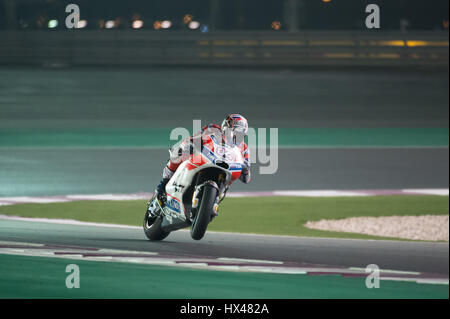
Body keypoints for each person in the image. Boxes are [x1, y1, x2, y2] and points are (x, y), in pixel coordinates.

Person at [155, 114, 251, 203]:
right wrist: (190, 144)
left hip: (223, 177)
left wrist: (245, 170)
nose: (238, 136)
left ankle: (211, 206)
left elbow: (246, 178)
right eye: (236, 132)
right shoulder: (213, 129)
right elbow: (194, 138)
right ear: (227, 126)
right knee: (179, 152)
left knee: (214, 207)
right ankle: (163, 184)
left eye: (241, 134)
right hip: (205, 160)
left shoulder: (244, 148)